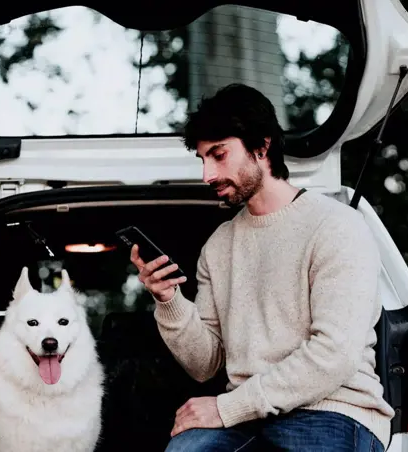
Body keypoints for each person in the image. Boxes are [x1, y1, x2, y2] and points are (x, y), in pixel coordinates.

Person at [130, 83, 394, 452]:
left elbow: (335, 353)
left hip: (332, 410)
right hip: (245, 419)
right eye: (203, 159)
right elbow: (206, 364)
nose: (207, 174)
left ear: (262, 146)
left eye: (219, 155)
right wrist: (169, 299)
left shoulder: (336, 226)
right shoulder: (219, 246)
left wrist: (226, 407)